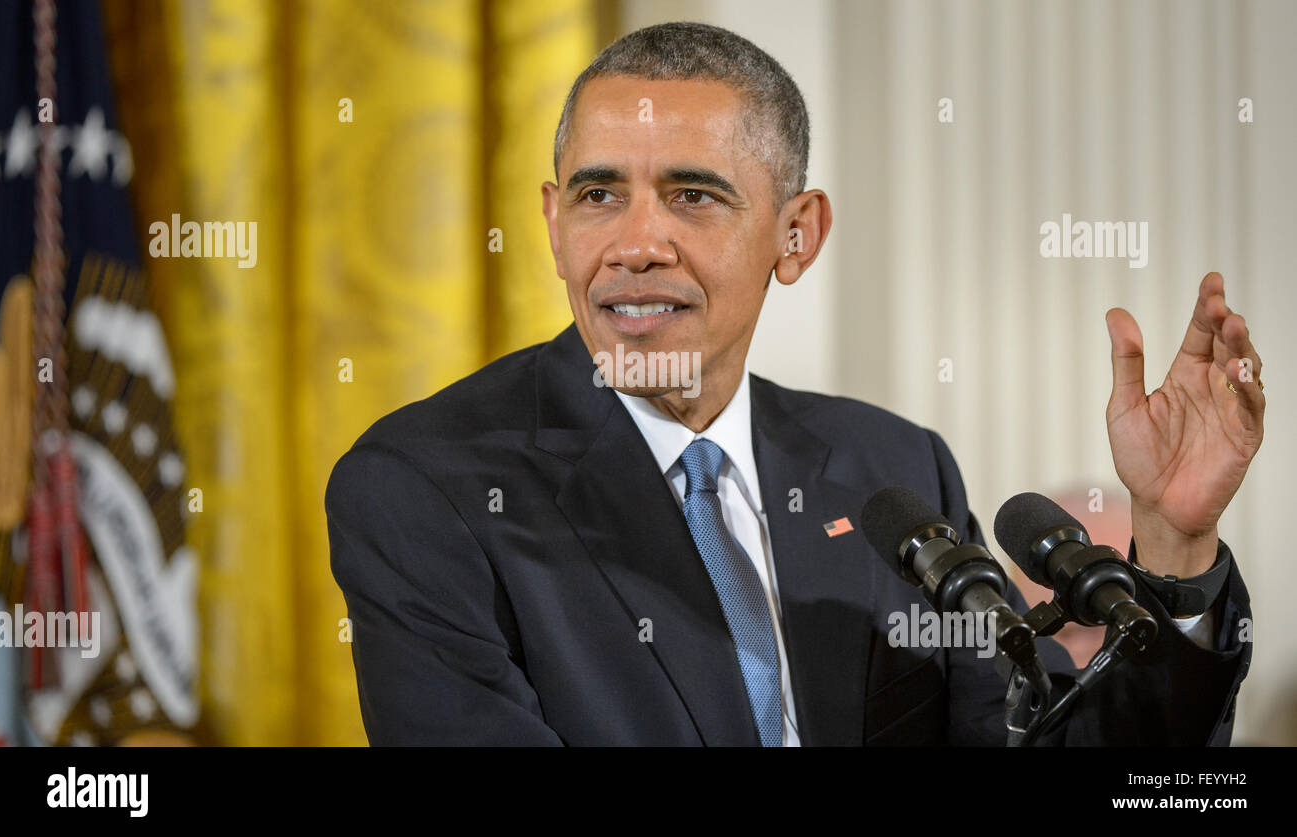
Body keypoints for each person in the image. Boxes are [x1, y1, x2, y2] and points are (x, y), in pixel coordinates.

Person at [325, 22, 1262, 746]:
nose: (635, 243)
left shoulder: (891, 469)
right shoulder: (426, 489)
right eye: (598, 193)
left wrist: (1175, 537)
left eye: (693, 195)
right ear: (553, 222)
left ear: (797, 234)